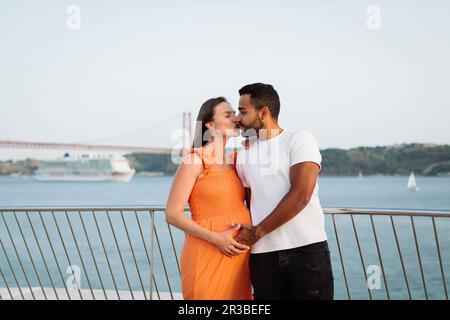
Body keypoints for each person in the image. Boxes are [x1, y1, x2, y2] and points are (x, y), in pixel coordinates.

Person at [234, 83, 334, 300]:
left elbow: (301, 196)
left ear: (264, 112)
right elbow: (251, 202)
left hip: (306, 250)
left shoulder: (299, 140)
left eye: (243, 111)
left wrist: (257, 232)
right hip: (262, 256)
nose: (237, 118)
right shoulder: (244, 153)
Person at [165, 97, 252, 300]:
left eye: (235, 113)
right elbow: (172, 214)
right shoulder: (195, 160)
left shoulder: (236, 160)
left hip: (237, 257)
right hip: (207, 251)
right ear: (210, 125)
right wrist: (218, 239)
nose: (236, 118)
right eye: (227, 114)